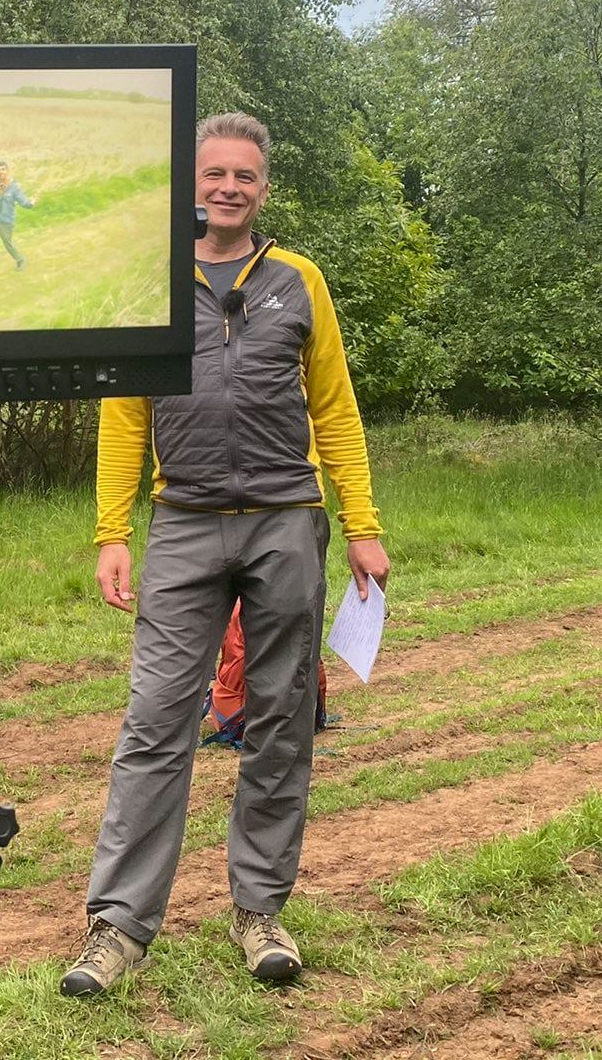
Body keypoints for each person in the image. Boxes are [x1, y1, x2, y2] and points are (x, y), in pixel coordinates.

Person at [61, 111, 389, 996]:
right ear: (191, 183)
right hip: (184, 522)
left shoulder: (299, 280)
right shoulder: (154, 281)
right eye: (214, 175)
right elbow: (123, 412)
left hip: (288, 519)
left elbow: (337, 409)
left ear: (263, 187)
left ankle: (260, 911)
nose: (228, 188)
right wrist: (110, 533)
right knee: (157, 719)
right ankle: (119, 927)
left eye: (244, 176)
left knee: (280, 717)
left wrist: (362, 524)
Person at [0, 160, 36, 279]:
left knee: (8, 244)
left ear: (7, 171)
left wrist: (31, 203)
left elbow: (23, 201)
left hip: (7, 222)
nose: (1, 172)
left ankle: (20, 259)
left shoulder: (14, 187)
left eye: (3, 169)